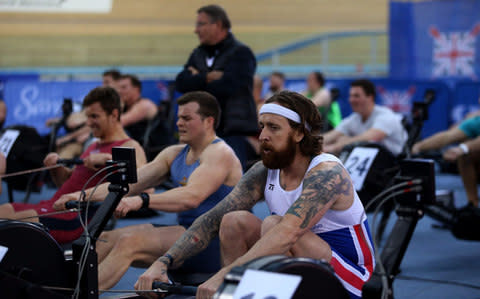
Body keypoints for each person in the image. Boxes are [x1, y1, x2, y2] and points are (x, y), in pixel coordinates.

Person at [136, 91, 375, 299]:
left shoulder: (327, 173)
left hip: (352, 280)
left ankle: (233, 286)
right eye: (262, 126)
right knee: (233, 221)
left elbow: (287, 234)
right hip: (306, 266)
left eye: (273, 127)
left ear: (300, 133)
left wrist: (223, 276)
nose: (262, 136)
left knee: (274, 225)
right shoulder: (263, 171)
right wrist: (162, 262)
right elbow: (211, 220)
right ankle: (234, 295)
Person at [53, 91, 243, 290]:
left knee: (130, 243)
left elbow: (191, 197)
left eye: (186, 118)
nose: (179, 123)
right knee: (105, 239)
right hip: (187, 234)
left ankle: (76, 295)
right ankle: (61, 289)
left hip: (214, 243)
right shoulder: (174, 153)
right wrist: (81, 195)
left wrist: (141, 201)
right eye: (178, 117)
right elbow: (130, 184)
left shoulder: (219, 153)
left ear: (208, 121)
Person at [0, 87, 147, 244]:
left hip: (76, 217)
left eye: (94, 116)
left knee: (10, 224)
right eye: (87, 116)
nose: (88, 123)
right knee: (5, 209)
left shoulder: (130, 146)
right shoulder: (94, 144)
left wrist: (108, 160)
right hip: (55, 206)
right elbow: (66, 184)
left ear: (114, 115)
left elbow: (143, 184)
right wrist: (56, 167)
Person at [175, 4, 258, 170]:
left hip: (231, 131)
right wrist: (207, 77)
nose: (196, 30)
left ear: (218, 25)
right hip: (201, 134)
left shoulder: (241, 53)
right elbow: (181, 83)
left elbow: (228, 87)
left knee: (232, 186)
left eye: (201, 24)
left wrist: (197, 79)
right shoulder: (198, 53)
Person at [323, 79, 407, 156]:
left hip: (395, 166)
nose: (351, 100)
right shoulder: (354, 118)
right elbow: (331, 136)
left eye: (356, 96)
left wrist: (333, 147)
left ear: (370, 97)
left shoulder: (386, 116)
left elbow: (369, 138)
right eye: (350, 96)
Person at [412, 115, 480, 207]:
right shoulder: (477, 121)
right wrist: (418, 147)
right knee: (465, 156)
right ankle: (473, 205)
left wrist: (463, 148)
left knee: (466, 152)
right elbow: (448, 136)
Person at [117, 74, 158, 145]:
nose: (119, 91)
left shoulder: (144, 105)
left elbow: (120, 123)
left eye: (124, 87)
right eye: (118, 88)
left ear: (136, 89)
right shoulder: (126, 106)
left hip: (153, 150)